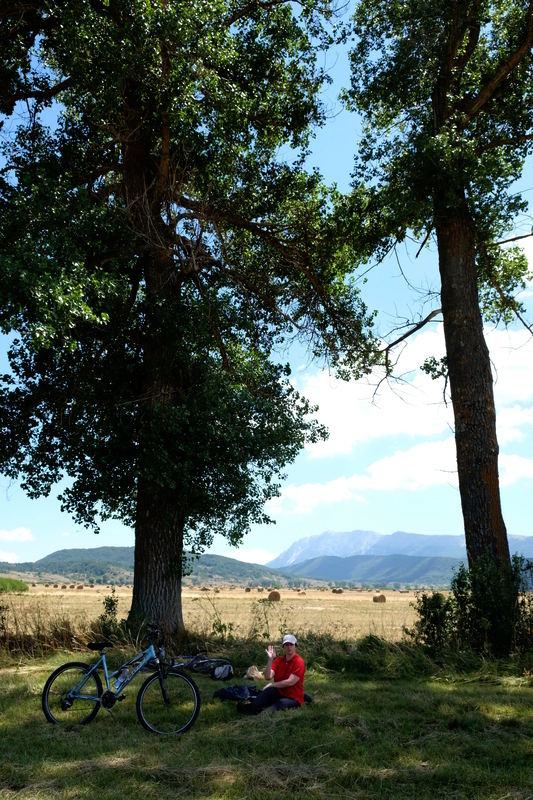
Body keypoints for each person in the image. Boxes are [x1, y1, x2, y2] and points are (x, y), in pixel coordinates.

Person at [237, 634, 305, 715]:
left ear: (295, 646)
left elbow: (290, 682)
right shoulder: (279, 660)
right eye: (286, 645)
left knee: (274, 707)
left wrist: (272, 685)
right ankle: (251, 708)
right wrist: (270, 659)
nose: (289, 647)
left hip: (293, 698)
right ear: (283, 647)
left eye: (291, 644)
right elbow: (267, 677)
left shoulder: (299, 662)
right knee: (266, 693)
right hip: (279, 692)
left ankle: (263, 713)